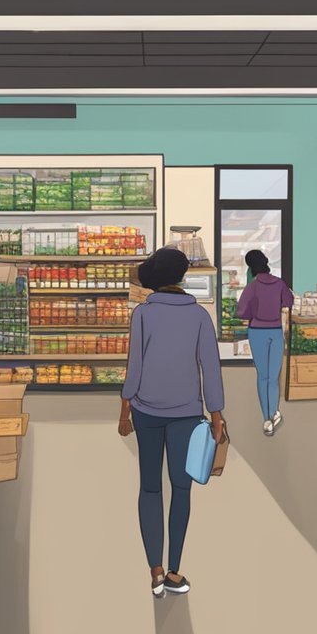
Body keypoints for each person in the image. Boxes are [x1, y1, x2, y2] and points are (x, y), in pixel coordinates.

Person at [119, 247, 225, 599]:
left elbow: (134, 368)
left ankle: (155, 571)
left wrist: (124, 412)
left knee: (150, 488)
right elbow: (211, 368)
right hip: (186, 413)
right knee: (182, 489)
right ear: (181, 278)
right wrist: (217, 413)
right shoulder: (199, 316)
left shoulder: (142, 314)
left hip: (146, 411)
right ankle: (176, 570)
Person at [236, 250, 295, 436]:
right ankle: (274, 411)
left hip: (257, 332)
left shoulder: (251, 287)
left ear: (251, 267)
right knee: (273, 376)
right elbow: (289, 301)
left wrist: (253, 310)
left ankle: (267, 418)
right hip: (275, 331)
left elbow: (242, 312)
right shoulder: (279, 283)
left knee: (262, 376)